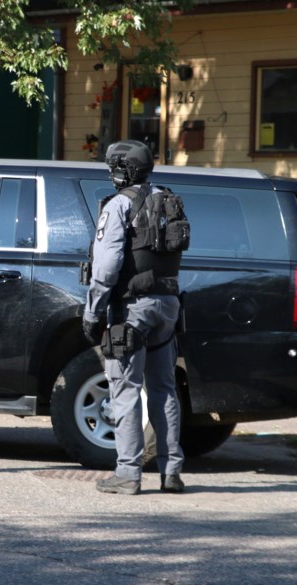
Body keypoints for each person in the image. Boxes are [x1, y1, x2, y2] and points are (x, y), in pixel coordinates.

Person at [82, 140, 185, 495]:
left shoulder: (119, 205)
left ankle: (127, 474)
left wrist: (92, 312)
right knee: (164, 389)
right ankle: (171, 471)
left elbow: (106, 266)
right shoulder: (167, 199)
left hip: (132, 310)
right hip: (168, 305)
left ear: (121, 170)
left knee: (125, 390)